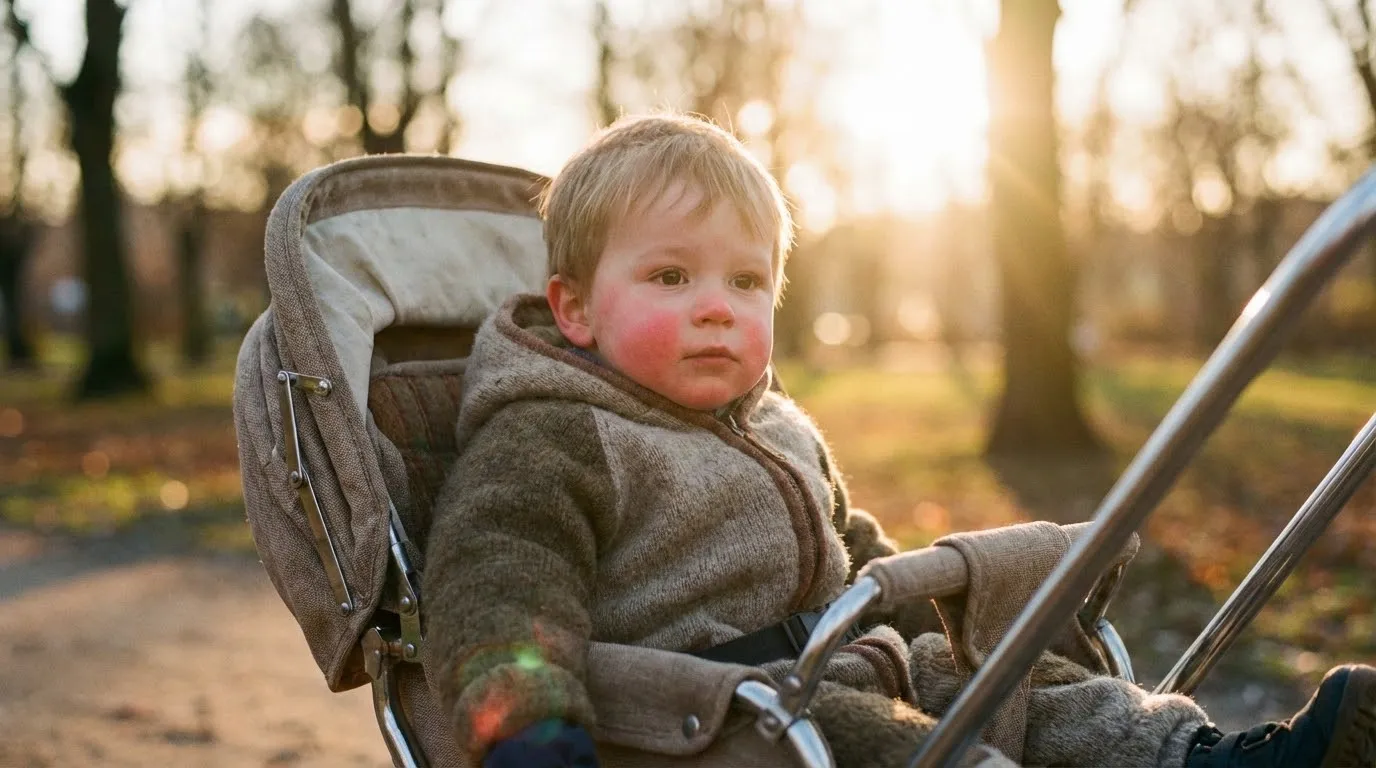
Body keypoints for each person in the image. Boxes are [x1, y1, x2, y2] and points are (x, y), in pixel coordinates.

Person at [423, 112, 1376, 768]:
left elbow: (854, 550)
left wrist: (948, 614)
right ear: (576, 308)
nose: (717, 309)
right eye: (671, 278)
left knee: (1030, 687)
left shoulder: (771, 421)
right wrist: (527, 727)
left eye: (747, 283)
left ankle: (1205, 757)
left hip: (846, 660)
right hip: (717, 717)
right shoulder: (551, 434)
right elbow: (497, 576)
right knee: (914, 744)